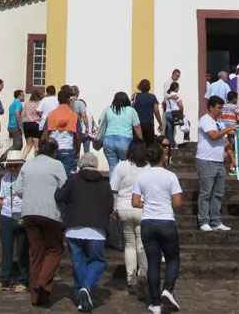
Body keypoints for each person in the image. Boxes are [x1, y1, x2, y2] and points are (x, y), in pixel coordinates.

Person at [54, 152, 113, 312]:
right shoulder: (104, 183)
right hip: (96, 229)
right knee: (97, 261)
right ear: (96, 166)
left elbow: (59, 196)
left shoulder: (73, 180)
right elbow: (109, 206)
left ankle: (82, 293)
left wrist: (67, 210)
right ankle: (85, 288)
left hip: (74, 228)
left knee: (78, 262)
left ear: (81, 165)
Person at [132, 142, 183, 314]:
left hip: (148, 222)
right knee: (172, 258)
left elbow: (135, 202)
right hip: (166, 221)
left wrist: (149, 203)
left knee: (153, 262)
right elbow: (177, 202)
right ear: (162, 156)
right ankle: (168, 290)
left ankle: (154, 303)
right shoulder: (171, 176)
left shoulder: (141, 176)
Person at [16, 139, 68, 307]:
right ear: (54, 151)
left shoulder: (28, 165)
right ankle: (42, 281)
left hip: (29, 212)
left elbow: (18, 189)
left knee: (36, 254)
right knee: (55, 250)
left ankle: (37, 297)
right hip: (50, 212)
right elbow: (64, 187)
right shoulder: (57, 165)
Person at [0, 150, 29, 293]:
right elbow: (1, 200)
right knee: (6, 250)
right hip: (6, 215)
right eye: (11, 166)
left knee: (22, 250)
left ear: (21, 166)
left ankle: (24, 279)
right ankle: (5, 279)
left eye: (16, 166)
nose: (13, 168)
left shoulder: (26, 179)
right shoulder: (4, 179)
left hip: (21, 215)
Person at [109, 141, 149, 296]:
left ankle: (131, 279)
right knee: (141, 243)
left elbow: (113, 189)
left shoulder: (121, 166)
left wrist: (113, 209)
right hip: (142, 207)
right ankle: (143, 273)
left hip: (124, 207)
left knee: (129, 244)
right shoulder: (148, 168)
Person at [197, 96, 236, 232]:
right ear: (211, 107)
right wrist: (228, 129)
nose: (220, 111)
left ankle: (216, 221)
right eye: (219, 108)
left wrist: (232, 158)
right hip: (206, 160)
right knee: (206, 192)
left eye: (221, 107)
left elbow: (225, 143)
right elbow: (213, 136)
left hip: (219, 161)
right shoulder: (205, 120)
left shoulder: (220, 123)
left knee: (218, 193)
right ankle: (203, 220)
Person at [41, 89, 81, 176]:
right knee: (67, 180)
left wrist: (42, 150)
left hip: (53, 150)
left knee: (53, 177)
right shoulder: (74, 115)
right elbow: (77, 136)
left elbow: (45, 134)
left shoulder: (51, 114)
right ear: (68, 100)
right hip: (68, 150)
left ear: (58, 100)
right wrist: (77, 151)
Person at [100, 92, 143, 171]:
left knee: (113, 167)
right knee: (127, 167)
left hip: (108, 141)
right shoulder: (131, 110)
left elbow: (101, 122)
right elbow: (137, 127)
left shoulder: (108, 109)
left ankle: (113, 183)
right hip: (125, 141)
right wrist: (140, 140)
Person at [132, 80, 163, 145]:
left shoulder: (135, 96)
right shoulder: (152, 97)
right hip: (149, 124)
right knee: (149, 145)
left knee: (138, 145)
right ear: (149, 87)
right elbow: (156, 111)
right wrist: (160, 123)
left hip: (137, 124)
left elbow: (131, 109)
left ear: (139, 86)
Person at [220, 91, 239, 172]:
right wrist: (238, 121)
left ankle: (229, 163)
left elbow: (220, 115)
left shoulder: (223, 106)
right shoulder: (235, 107)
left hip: (224, 128)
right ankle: (232, 165)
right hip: (232, 128)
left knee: (227, 145)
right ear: (234, 98)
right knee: (231, 146)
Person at [21, 90, 43, 159]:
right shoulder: (38, 103)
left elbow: (22, 114)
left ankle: (22, 159)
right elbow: (40, 113)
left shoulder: (27, 103)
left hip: (26, 125)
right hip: (35, 124)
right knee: (36, 146)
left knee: (28, 145)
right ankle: (36, 162)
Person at [162, 83, 183, 150]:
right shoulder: (176, 95)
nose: (179, 89)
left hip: (167, 113)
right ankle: (174, 144)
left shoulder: (167, 95)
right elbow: (181, 105)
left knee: (170, 130)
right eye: (178, 87)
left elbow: (164, 104)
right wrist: (181, 114)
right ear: (176, 88)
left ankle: (171, 145)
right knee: (175, 128)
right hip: (174, 113)